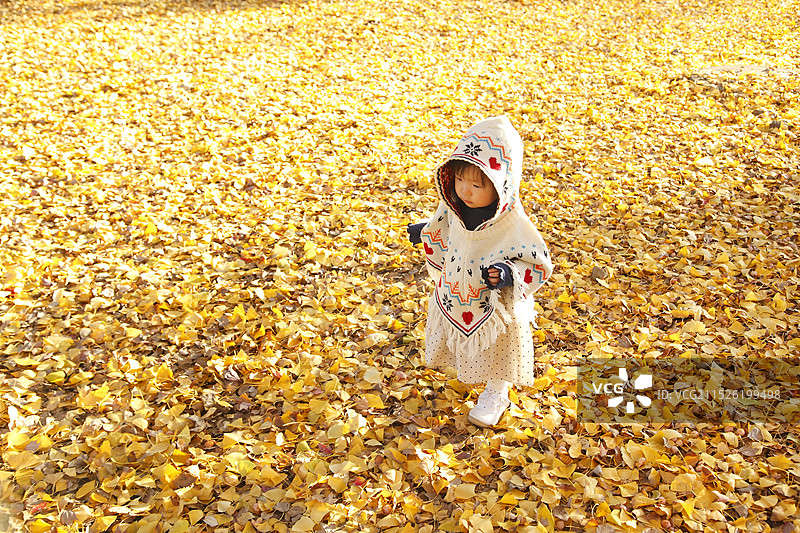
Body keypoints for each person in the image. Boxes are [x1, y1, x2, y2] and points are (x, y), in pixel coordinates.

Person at [407, 115, 553, 427]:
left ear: (502, 183)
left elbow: (538, 261)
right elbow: (442, 228)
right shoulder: (453, 206)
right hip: (460, 291)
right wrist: (425, 231)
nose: (466, 191)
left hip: (496, 304)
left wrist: (509, 272)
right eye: (460, 180)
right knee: (468, 339)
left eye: (477, 184)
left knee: (499, 344)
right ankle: (474, 372)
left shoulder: (512, 223)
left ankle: (497, 390)